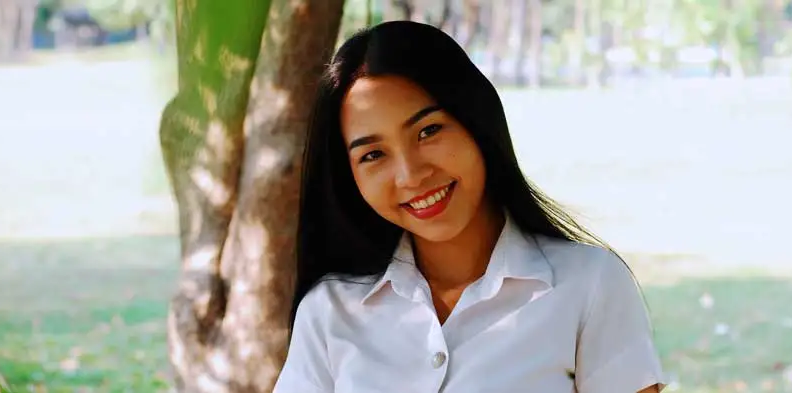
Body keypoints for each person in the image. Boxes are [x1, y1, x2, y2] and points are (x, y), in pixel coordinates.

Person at [274, 20, 665, 393]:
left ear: (475, 120)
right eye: (373, 155)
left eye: (428, 131)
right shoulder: (328, 312)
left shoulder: (590, 285)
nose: (411, 175)